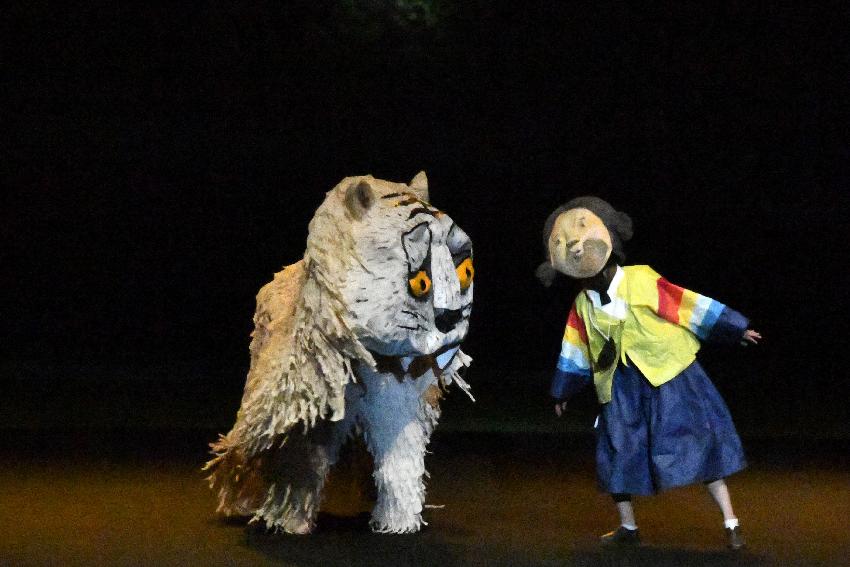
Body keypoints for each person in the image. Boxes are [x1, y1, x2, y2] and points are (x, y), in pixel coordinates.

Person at [537, 196, 761, 550]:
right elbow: (575, 348)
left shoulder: (640, 279)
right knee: (616, 452)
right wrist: (563, 390)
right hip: (621, 387)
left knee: (699, 443)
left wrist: (733, 327)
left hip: (668, 375)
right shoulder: (583, 304)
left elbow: (684, 303)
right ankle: (629, 528)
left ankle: (731, 522)